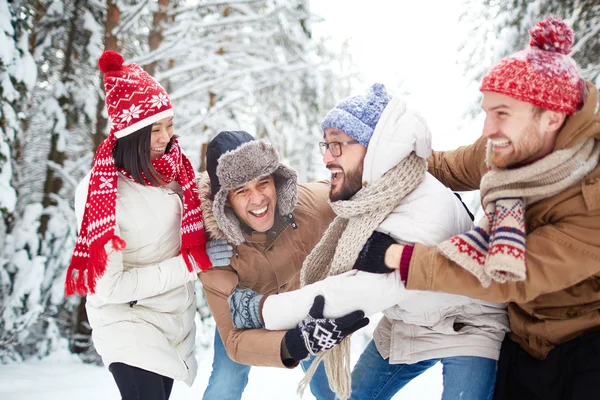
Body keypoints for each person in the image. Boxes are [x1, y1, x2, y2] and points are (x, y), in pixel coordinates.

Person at [230, 84, 510, 400]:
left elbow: (359, 290)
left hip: (468, 326)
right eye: (325, 145)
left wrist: (262, 309)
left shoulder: (424, 210)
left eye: (337, 146)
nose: (325, 157)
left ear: (376, 148)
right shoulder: (373, 198)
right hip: (408, 325)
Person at [373, 18, 600, 400]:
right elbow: (444, 167)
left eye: (502, 114)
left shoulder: (591, 196)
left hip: (587, 344)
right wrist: (373, 168)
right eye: (487, 111)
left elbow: (513, 274)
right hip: (523, 338)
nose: (488, 128)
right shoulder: (506, 149)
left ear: (552, 118)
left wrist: (399, 257)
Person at [66, 51, 211, 400]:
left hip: (173, 320)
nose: (167, 138)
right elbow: (109, 288)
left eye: (169, 125)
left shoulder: (176, 173)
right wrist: (189, 264)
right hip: (126, 322)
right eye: (155, 129)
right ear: (131, 133)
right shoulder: (100, 192)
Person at [198, 131, 368, 400]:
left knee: (329, 387)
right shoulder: (215, 252)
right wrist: (292, 344)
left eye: (263, 183)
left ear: (276, 181)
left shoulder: (309, 206)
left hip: (304, 309)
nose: (257, 199)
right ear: (225, 201)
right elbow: (235, 340)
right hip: (245, 315)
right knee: (226, 383)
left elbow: (361, 190)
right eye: (242, 190)